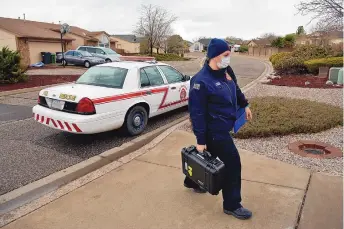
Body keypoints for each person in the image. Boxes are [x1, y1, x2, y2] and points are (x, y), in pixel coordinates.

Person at [184, 38, 253, 220]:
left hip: (223, 126)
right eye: (226, 55)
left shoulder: (226, 71)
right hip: (215, 132)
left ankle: (192, 181)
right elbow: (197, 114)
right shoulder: (200, 82)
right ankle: (232, 205)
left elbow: (235, 88)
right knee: (232, 164)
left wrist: (245, 105)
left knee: (209, 157)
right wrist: (200, 141)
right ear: (215, 56)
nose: (229, 59)